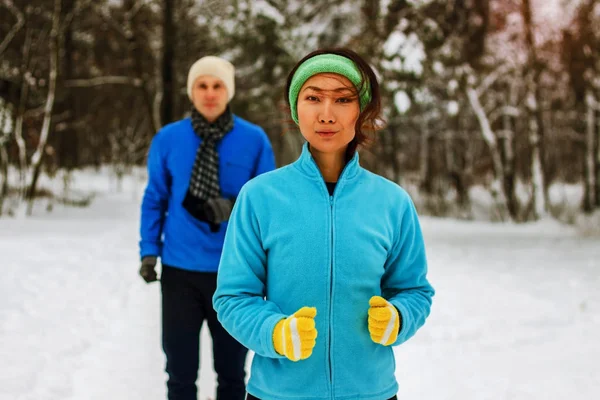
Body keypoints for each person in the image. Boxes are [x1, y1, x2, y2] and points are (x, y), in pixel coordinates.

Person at [213, 48, 435, 400]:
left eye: (343, 99)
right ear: (295, 108)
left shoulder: (392, 203)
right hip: (278, 394)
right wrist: (275, 332)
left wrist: (399, 317)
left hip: (371, 393)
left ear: (361, 111)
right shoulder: (260, 197)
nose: (326, 114)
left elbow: (415, 291)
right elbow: (233, 297)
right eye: (313, 97)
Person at [138, 55, 276, 400]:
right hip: (180, 272)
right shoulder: (168, 139)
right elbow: (155, 197)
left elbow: (269, 207)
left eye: (217, 85)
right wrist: (148, 252)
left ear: (228, 91)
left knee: (232, 375)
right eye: (202, 85)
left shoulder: (254, 139)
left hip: (236, 274)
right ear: (191, 91)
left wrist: (234, 208)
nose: (210, 93)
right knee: (180, 374)